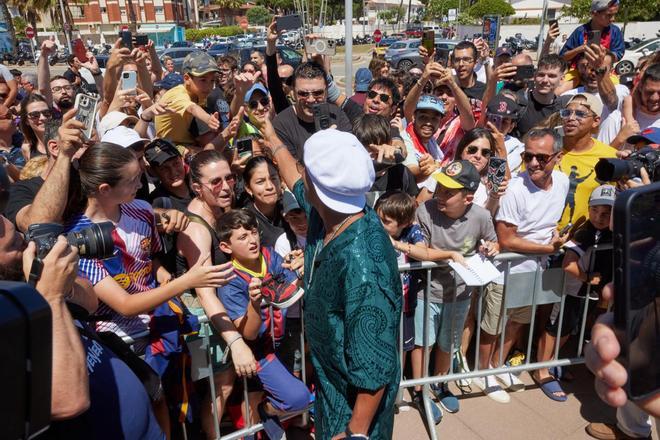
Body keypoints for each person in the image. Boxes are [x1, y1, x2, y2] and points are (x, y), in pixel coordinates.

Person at [261, 123, 401, 438]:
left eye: (306, 168)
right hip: (330, 387)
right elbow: (295, 179)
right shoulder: (326, 212)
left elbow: (375, 365)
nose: (301, 174)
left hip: (352, 410)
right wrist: (271, 136)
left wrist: (356, 432)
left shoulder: (363, 265)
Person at [477, 128, 570, 403]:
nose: (533, 163)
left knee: (517, 322)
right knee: (494, 325)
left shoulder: (563, 182)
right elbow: (506, 239)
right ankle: (484, 372)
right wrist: (547, 248)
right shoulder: (516, 189)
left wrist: (554, 238)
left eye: (542, 157)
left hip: (535, 271)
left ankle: (498, 365)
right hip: (505, 272)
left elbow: (548, 223)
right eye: (528, 156)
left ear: (558, 157)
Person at [176, 150, 259, 438]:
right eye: (215, 182)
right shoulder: (197, 229)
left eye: (229, 178)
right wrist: (236, 343)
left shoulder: (217, 211)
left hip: (218, 319)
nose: (226, 186)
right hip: (204, 324)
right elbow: (205, 292)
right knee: (218, 386)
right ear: (197, 187)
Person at [409, 160, 500, 418]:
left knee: (448, 343)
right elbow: (420, 250)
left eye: (449, 192)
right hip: (427, 291)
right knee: (422, 343)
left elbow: (493, 243)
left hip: (460, 294)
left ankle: (440, 384)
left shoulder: (481, 216)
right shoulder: (425, 210)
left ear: (468, 197)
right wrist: (450, 256)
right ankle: (419, 390)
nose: (440, 195)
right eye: (440, 188)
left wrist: (492, 249)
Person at [217, 209, 310, 439]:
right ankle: (263, 415)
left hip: (281, 340)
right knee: (294, 398)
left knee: (294, 397)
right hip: (256, 351)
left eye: (254, 233)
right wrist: (254, 303)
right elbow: (248, 333)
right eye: (242, 237)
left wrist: (303, 265)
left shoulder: (270, 256)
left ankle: (266, 414)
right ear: (226, 247)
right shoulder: (230, 281)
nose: (252, 241)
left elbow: (291, 288)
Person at [533, 184, 615, 402]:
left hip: (591, 294)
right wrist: (587, 278)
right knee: (557, 328)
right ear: (589, 209)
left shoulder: (611, 233)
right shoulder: (586, 233)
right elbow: (569, 264)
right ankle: (541, 370)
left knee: (569, 329)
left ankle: (552, 364)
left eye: (606, 213)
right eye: (595, 211)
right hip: (572, 291)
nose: (599, 216)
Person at [557, 94, 617, 230]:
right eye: (566, 113)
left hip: (584, 243)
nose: (571, 118)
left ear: (596, 121)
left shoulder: (609, 157)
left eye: (580, 114)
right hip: (540, 241)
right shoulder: (545, 150)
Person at [271, 62, 352, 160]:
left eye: (317, 93)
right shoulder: (281, 124)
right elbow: (292, 170)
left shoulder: (337, 115)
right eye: (303, 94)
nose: (311, 99)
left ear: (326, 92)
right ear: (293, 93)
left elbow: (350, 157)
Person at [154, 52, 221, 150]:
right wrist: (208, 119)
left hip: (189, 143)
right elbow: (192, 108)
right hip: (169, 146)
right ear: (187, 78)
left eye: (212, 80)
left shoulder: (199, 93)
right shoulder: (178, 94)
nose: (209, 86)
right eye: (203, 80)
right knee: (209, 158)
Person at [561, 50, 628, 145]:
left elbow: (611, 101)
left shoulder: (621, 90)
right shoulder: (568, 96)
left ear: (611, 71)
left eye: (601, 69)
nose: (594, 73)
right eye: (591, 67)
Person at [515, 55, 570, 137]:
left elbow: (561, 139)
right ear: (534, 76)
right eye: (541, 75)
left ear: (561, 80)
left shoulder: (562, 109)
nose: (545, 80)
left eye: (552, 76)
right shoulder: (518, 102)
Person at [241, 156, 286, 247]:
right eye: (260, 182)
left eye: (273, 179)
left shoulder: (289, 209)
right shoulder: (244, 221)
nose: (269, 186)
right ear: (248, 188)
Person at [560, 0, 624, 64]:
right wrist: (580, 49)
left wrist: (606, 53)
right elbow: (562, 57)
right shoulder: (580, 31)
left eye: (614, 14)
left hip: (604, 72)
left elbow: (619, 54)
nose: (613, 19)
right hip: (580, 72)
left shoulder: (615, 31)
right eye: (609, 15)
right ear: (594, 14)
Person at [19, 93, 52, 160]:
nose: (43, 118)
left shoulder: (64, 140)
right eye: (34, 115)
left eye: (46, 112)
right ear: (26, 121)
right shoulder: (27, 149)